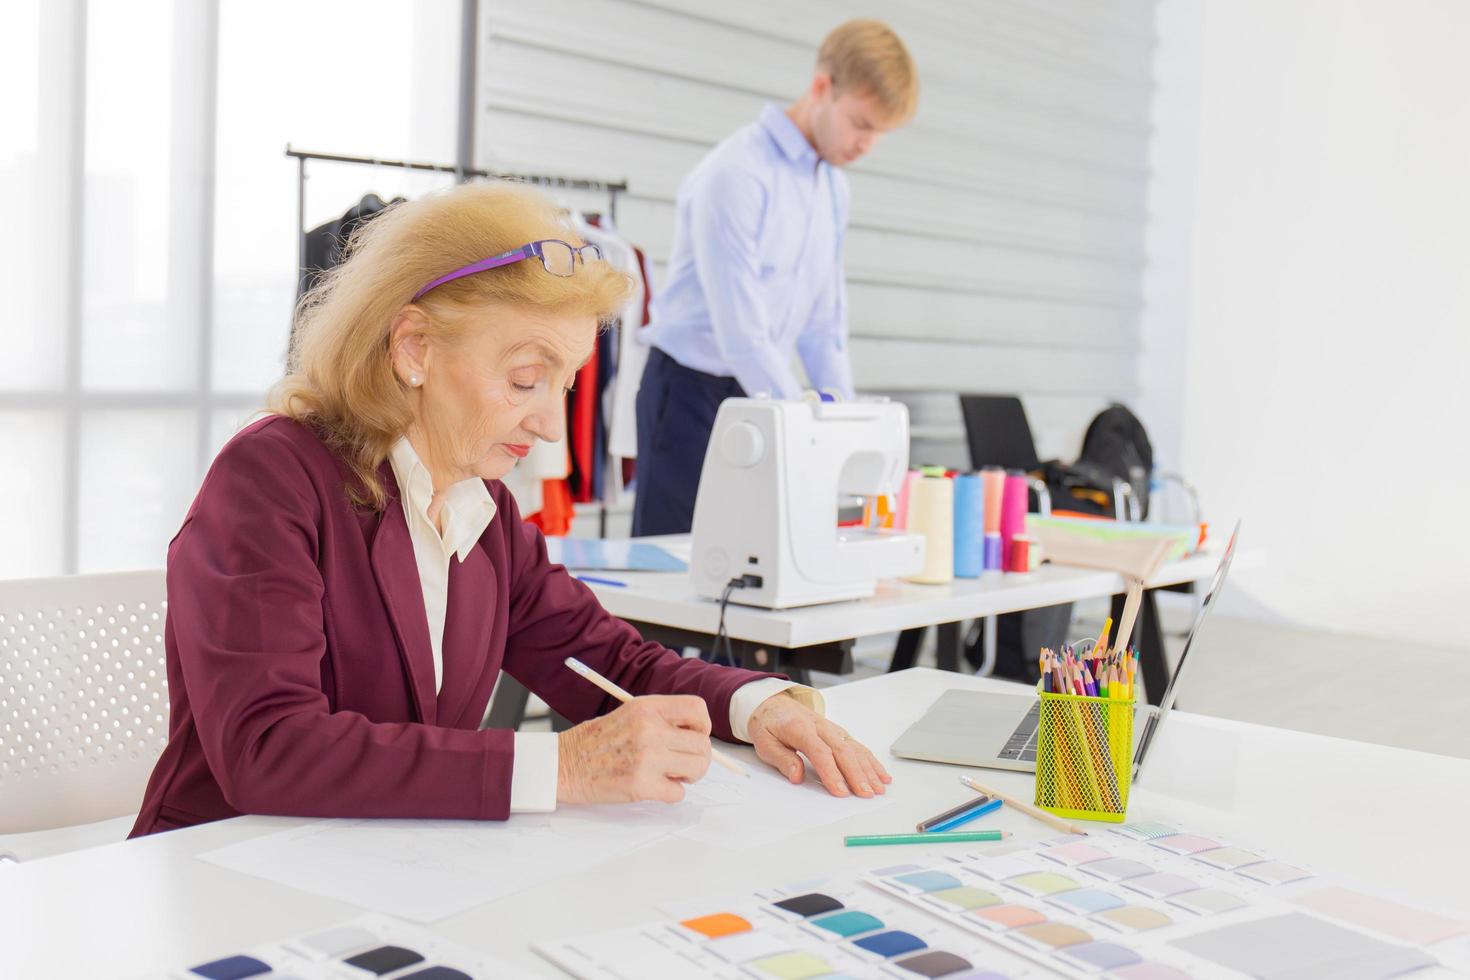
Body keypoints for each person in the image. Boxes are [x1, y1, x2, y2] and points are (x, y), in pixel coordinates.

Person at [129, 182, 890, 837]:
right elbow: (270, 747)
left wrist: (755, 709)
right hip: (225, 874)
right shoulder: (272, 479)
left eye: (562, 386)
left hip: (385, 868)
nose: (552, 425)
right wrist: (556, 767)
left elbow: (609, 662)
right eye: (525, 378)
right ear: (414, 349)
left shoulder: (480, 507)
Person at [631, 19, 919, 536]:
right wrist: (810, 429)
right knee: (673, 574)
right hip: (691, 395)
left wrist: (850, 433)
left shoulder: (833, 187)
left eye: (880, 132)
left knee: (756, 564)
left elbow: (823, 327)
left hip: (762, 393)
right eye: (861, 123)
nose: (868, 145)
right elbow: (743, 337)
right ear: (821, 87)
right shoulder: (737, 174)